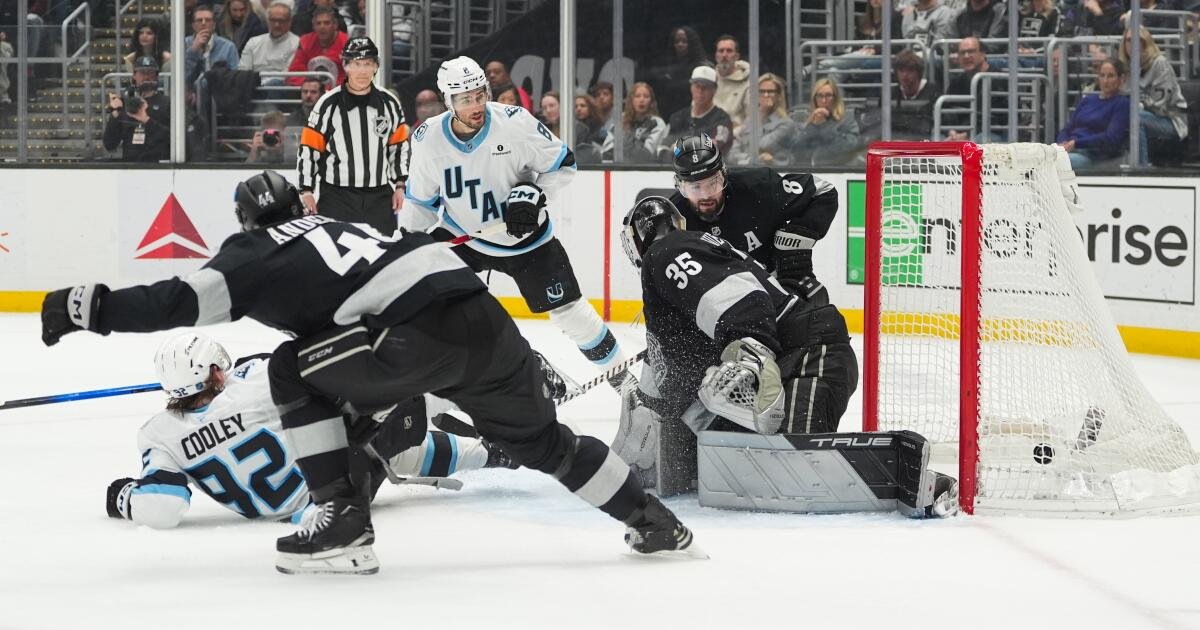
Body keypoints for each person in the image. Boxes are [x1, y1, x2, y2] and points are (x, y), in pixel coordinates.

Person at [41, 169, 698, 574]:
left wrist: (85, 307)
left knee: (290, 369)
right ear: (300, 205)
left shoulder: (253, 253)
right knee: (548, 446)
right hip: (485, 322)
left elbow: (174, 302)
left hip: (410, 339)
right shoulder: (342, 225)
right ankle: (654, 521)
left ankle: (341, 518)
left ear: (247, 222)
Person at [105, 331, 517, 530]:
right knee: (384, 398)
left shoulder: (160, 435)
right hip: (337, 480)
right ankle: (502, 401)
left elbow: (162, 507)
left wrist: (123, 497)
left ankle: (493, 450)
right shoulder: (257, 382)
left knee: (375, 445)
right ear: (215, 371)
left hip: (314, 506)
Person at [403, 56, 632, 378]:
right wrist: (406, 248)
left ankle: (625, 384)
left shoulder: (515, 123)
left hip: (527, 238)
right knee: (433, 309)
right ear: (447, 100)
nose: (477, 105)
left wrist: (536, 194)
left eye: (480, 94)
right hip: (464, 238)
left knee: (572, 314)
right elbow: (420, 204)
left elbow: (563, 164)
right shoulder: (428, 139)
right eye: (466, 99)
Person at [611, 196, 858, 494]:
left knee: (797, 480)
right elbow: (670, 383)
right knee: (747, 476)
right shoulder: (678, 283)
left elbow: (741, 300)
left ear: (634, 241)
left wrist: (751, 351)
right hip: (797, 358)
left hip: (805, 360)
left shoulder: (666, 250)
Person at [666, 134, 838, 305]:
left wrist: (794, 242)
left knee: (814, 306)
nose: (705, 195)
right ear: (680, 186)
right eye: (695, 187)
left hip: (777, 286)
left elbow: (823, 191)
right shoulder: (673, 219)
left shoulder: (758, 187)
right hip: (721, 302)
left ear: (724, 174)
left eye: (713, 183)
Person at [297, 37, 408, 234]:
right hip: (337, 197)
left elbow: (398, 147)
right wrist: (306, 190)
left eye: (368, 64)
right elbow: (309, 148)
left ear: (376, 66)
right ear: (346, 66)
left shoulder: (390, 103)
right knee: (336, 251)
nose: (363, 71)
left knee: (385, 251)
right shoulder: (327, 104)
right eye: (357, 64)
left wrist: (400, 185)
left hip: (379, 197)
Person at [1120, 25, 1188, 165]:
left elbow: (1160, 104)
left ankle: (1141, 169)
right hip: (1142, 114)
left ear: (1145, 42)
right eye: (1128, 40)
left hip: (1170, 120)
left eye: (1137, 39)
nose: (1132, 44)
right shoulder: (1127, 67)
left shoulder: (1159, 63)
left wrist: (1137, 106)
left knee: (1134, 118)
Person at [1056, 57, 1130, 169]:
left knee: (1053, 164)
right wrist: (1062, 142)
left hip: (1092, 155)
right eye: (1102, 75)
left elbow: (1110, 138)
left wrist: (1076, 143)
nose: (1105, 81)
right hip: (1070, 148)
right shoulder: (1087, 100)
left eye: (1110, 76)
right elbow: (1068, 127)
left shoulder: (1122, 104)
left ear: (1121, 78)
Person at [103, 57, 170, 162]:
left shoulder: (167, 103)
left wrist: (147, 120)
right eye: (142, 72)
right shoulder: (125, 104)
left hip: (158, 164)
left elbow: (172, 138)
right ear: (134, 75)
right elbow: (110, 144)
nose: (146, 76)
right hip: (131, 164)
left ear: (156, 76)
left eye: (150, 72)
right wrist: (115, 115)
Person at [728, 73, 798, 167]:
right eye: (761, 91)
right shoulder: (750, 120)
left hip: (775, 170)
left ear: (778, 95)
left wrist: (762, 113)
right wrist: (748, 160)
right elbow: (732, 153)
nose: (766, 95)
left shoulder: (786, 124)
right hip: (747, 168)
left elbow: (761, 145)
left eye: (770, 91)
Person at [665, 66, 733, 156]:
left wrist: (680, 148)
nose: (700, 91)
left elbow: (714, 150)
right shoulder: (677, 117)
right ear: (691, 87)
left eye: (706, 87)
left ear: (714, 90)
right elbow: (663, 149)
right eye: (697, 86)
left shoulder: (722, 119)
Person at [646, 25, 710, 121]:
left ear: (691, 43)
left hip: (695, 115)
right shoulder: (666, 65)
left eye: (684, 41)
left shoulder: (701, 67)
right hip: (670, 115)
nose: (680, 44)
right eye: (676, 42)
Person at [795, 77, 861, 166]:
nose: (824, 100)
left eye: (828, 95)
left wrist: (824, 126)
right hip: (809, 169)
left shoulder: (847, 119)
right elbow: (795, 151)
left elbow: (851, 147)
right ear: (814, 98)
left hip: (837, 169)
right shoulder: (806, 118)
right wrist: (812, 126)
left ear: (835, 98)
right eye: (820, 96)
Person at [603, 81, 668, 163]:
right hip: (617, 168)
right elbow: (607, 152)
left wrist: (624, 141)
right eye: (637, 96)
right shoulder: (620, 119)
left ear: (651, 102)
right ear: (631, 100)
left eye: (646, 96)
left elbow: (644, 156)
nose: (642, 100)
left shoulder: (657, 123)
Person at [285, 6, 348, 86]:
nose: (322, 27)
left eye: (326, 23)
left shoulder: (347, 43)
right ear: (313, 27)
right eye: (318, 23)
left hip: (338, 89)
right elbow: (294, 74)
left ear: (335, 25)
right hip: (309, 89)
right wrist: (311, 85)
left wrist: (327, 88)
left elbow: (352, 76)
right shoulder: (305, 42)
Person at [890, 48, 942, 140]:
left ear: (919, 73)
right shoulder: (891, 94)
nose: (904, 75)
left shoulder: (933, 92)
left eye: (910, 70)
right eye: (901, 70)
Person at [238, 0, 299, 75]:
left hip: (281, 82)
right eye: (273, 20)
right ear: (267, 20)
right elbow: (242, 72)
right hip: (253, 81)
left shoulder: (297, 43)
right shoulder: (253, 42)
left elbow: (289, 75)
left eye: (281, 20)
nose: (277, 25)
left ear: (290, 21)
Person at [184, 6, 241, 87]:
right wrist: (193, 50)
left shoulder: (228, 47)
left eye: (207, 20)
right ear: (193, 25)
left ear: (214, 25)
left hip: (219, 92)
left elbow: (235, 79)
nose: (203, 23)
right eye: (199, 20)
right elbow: (181, 77)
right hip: (190, 92)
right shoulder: (183, 44)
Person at [713, 35, 751, 128]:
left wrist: (733, 133)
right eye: (721, 51)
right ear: (716, 56)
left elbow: (752, 120)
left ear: (737, 56)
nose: (724, 55)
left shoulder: (748, 84)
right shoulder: (709, 80)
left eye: (729, 51)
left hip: (736, 135)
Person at [573, 92, 608, 161]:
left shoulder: (600, 130)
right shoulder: (570, 128)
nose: (578, 109)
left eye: (583, 106)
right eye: (575, 106)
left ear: (591, 108)